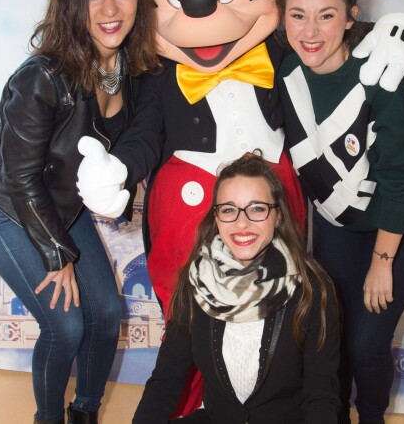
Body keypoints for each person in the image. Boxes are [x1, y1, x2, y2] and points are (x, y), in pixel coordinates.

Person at [0, 0, 160, 424]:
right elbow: (20, 176)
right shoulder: (42, 77)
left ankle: (85, 412)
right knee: (65, 324)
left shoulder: (131, 71)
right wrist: (58, 256)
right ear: (74, 2)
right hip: (9, 204)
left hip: (61, 205)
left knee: (108, 315)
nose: (109, 8)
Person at [273, 0, 404, 424]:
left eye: (327, 15)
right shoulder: (281, 64)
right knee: (332, 336)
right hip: (338, 224)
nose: (310, 30)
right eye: (297, 14)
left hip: (399, 225)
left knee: (368, 343)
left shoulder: (387, 68)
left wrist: (382, 260)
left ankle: (371, 417)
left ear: (351, 15)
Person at [132, 152, 341, 424]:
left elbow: (321, 395)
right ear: (216, 218)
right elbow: (166, 380)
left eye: (257, 208)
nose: (242, 223)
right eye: (229, 209)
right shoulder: (194, 283)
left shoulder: (313, 288)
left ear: (277, 216)